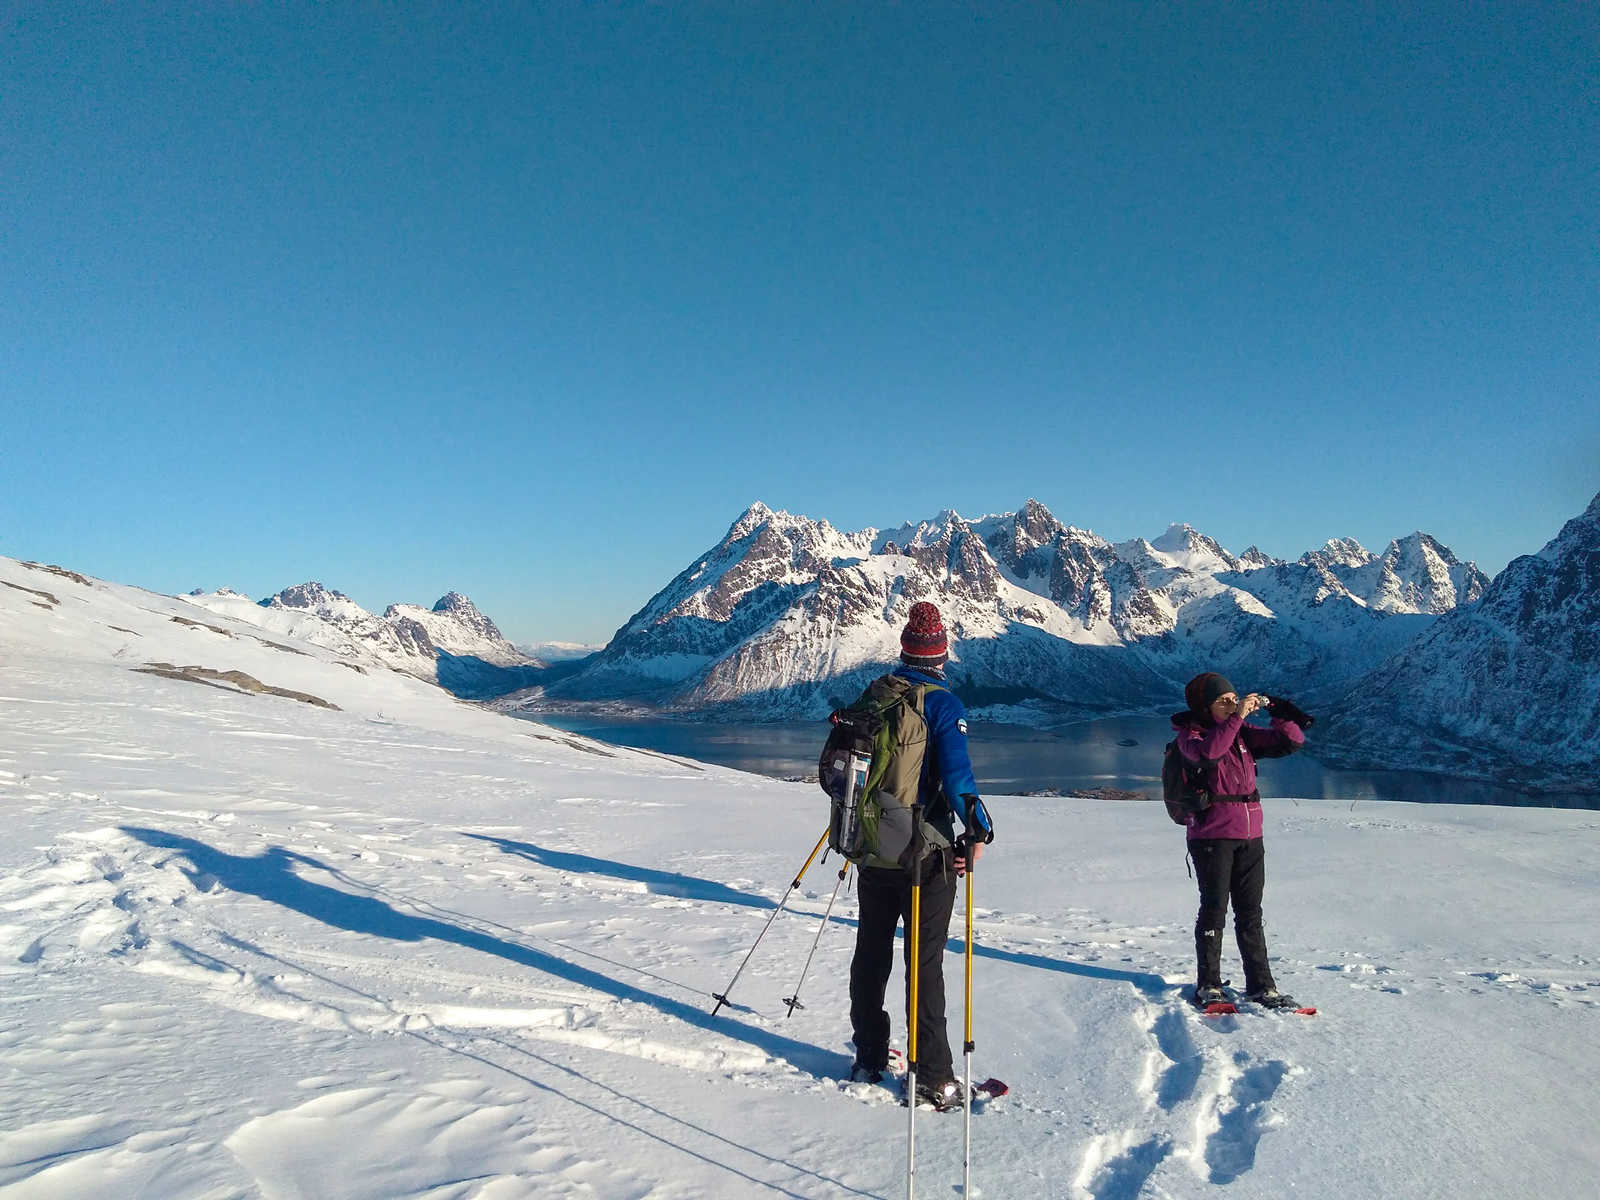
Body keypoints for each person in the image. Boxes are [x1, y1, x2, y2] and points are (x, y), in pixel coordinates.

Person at [849, 600, 994, 1108]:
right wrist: (979, 829)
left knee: (871, 952)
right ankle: (934, 1076)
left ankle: (868, 1055)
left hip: (872, 847)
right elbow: (957, 779)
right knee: (923, 963)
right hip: (924, 853)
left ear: (905, 649)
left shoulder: (877, 695)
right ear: (943, 652)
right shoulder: (942, 704)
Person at [1172, 672, 1311, 1009]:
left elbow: (1290, 742)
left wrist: (1279, 709)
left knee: (1250, 913)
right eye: (1224, 701)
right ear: (1205, 708)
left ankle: (1262, 986)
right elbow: (1209, 754)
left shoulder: (1240, 733)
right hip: (1212, 836)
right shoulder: (1190, 737)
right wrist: (1237, 718)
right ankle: (1208, 984)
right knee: (1214, 910)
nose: (1232, 704)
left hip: (1250, 835)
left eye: (1234, 698)